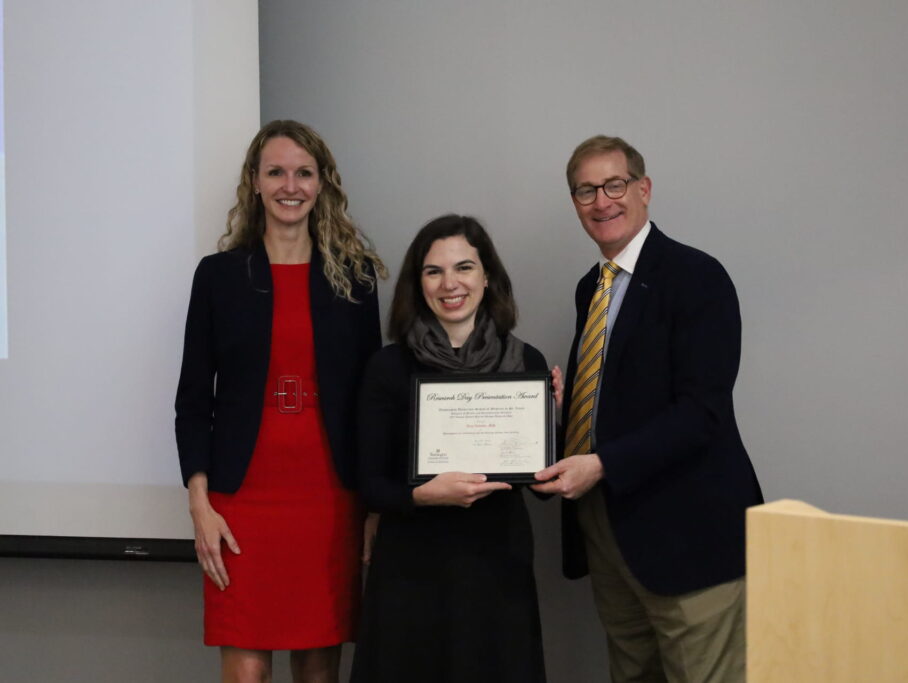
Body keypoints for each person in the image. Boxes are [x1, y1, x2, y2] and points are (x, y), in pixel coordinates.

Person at [532, 135, 763, 683]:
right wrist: (568, 413)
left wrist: (602, 463)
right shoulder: (592, 286)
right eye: (585, 190)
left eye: (614, 185)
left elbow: (701, 412)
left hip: (690, 537)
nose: (602, 201)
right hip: (610, 531)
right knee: (632, 673)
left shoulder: (697, 277)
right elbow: (622, 394)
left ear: (644, 189)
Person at [174, 119, 386, 682]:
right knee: (246, 673)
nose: (289, 185)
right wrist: (199, 504)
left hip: (330, 501)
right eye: (276, 172)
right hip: (240, 503)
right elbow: (193, 400)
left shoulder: (355, 279)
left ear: (322, 184)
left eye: (303, 173)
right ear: (255, 182)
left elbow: (373, 401)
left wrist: (374, 508)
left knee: (319, 674)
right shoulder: (219, 277)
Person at [351, 214, 549, 683]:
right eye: (433, 271)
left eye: (463, 267)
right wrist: (422, 495)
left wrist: (551, 423)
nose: (449, 283)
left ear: (487, 277)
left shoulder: (527, 363)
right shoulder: (388, 367)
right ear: (417, 283)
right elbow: (370, 484)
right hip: (411, 571)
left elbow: (542, 488)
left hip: (497, 567)